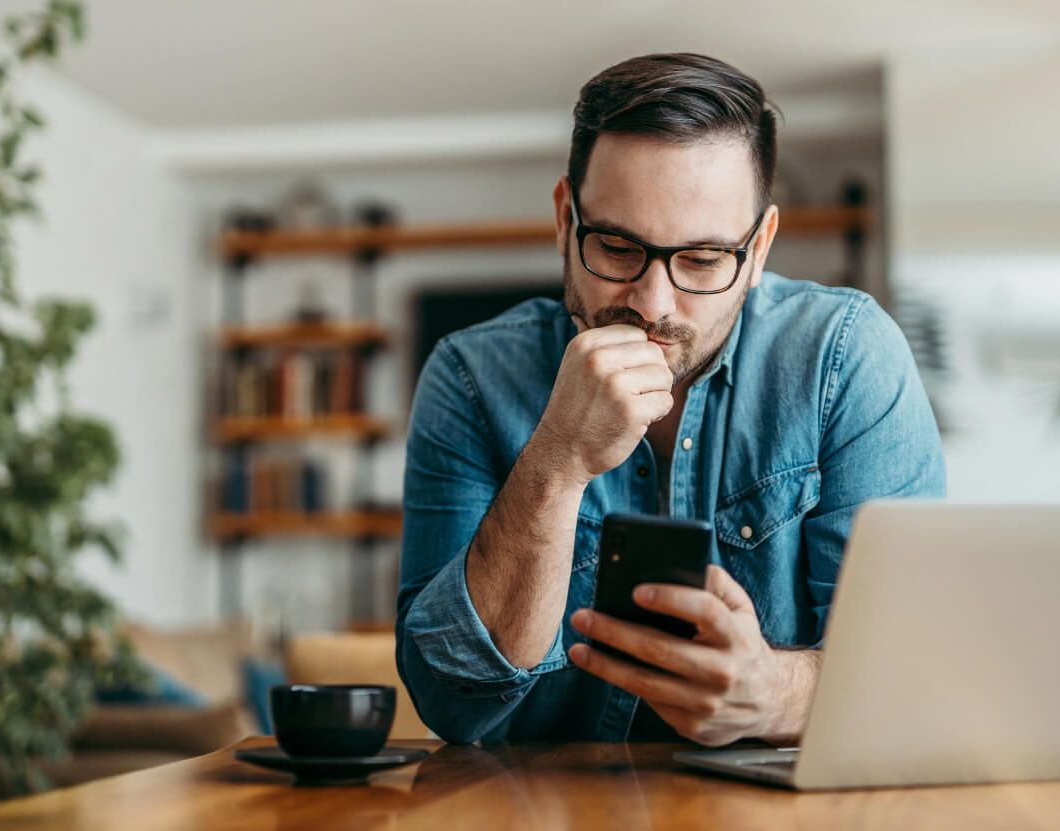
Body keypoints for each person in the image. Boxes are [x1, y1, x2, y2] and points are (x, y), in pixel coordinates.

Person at [395, 52, 945, 746]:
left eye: (703, 259)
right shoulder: (469, 377)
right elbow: (450, 701)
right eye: (619, 247)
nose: (652, 304)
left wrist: (773, 695)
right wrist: (556, 461)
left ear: (760, 247)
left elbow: (915, 679)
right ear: (566, 220)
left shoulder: (847, 358)